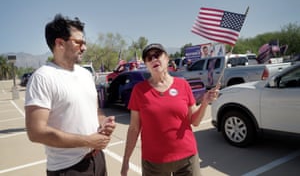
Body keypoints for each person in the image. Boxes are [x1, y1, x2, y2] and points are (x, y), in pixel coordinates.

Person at [25, 14, 116, 176]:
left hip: (97, 159)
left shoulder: (85, 74)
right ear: (60, 43)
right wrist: (88, 141)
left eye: (84, 43)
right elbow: (36, 132)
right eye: (78, 42)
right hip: (68, 169)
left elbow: (95, 111)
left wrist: (103, 122)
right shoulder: (42, 78)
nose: (84, 48)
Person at [120, 43, 219, 176]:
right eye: (149, 58)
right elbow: (134, 129)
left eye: (157, 55)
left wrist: (205, 103)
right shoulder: (139, 91)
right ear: (146, 64)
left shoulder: (183, 84)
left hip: (187, 159)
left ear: (167, 58)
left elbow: (194, 121)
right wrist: (126, 160)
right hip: (154, 163)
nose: (154, 59)